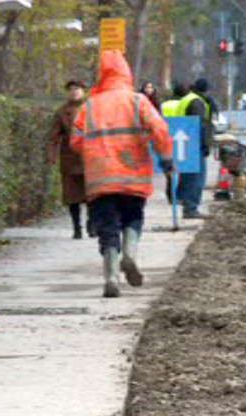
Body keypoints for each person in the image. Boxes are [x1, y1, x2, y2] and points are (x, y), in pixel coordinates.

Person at [71, 50, 172, 298]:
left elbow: (75, 141)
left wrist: (94, 153)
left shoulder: (89, 106)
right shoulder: (138, 101)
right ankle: (130, 252)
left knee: (107, 227)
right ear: (127, 74)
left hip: (100, 178)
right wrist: (166, 157)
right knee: (133, 217)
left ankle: (111, 276)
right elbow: (159, 128)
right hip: (133, 174)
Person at [49, 79, 95, 239]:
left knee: (92, 194)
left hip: (91, 156)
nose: (74, 92)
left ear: (83, 91)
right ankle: (76, 227)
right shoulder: (62, 111)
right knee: (72, 195)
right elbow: (54, 136)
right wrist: (52, 155)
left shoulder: (92, 108)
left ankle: (91, 224)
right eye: (71, 89)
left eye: (77, 89)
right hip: (70, 157)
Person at [175, 78, 218, 218]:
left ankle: (187, 204)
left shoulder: (186, 99)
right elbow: (201, 125)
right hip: (194, 143)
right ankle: (191, 208)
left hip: (184, 141)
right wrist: (205, 144)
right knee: (196, 179)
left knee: (187, 177)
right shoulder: (198, 102)